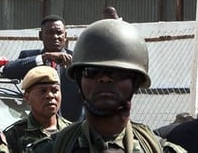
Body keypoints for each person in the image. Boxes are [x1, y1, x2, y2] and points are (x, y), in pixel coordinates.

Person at [29, 19, 185, 153]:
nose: (104, 79)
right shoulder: (51, 149)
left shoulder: (160, 149)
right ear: (78, 81)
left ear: (136, 83)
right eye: (92, 72)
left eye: (117, 73)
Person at [1, 16, 82, 122]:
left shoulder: (78, 59)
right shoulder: (30, 57)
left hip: (72, 126)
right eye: (50, 32)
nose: (55, 37)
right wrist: (45, 57)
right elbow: (8, 70)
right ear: (40, 35)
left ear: (65, 35)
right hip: (37, 127)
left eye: (59, 33)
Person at [3, 66, 70, 153]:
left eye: (54, 90)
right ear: (27, 97)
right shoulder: (13, 135)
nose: (50, 96)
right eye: (42, 91)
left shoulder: (72, 132)